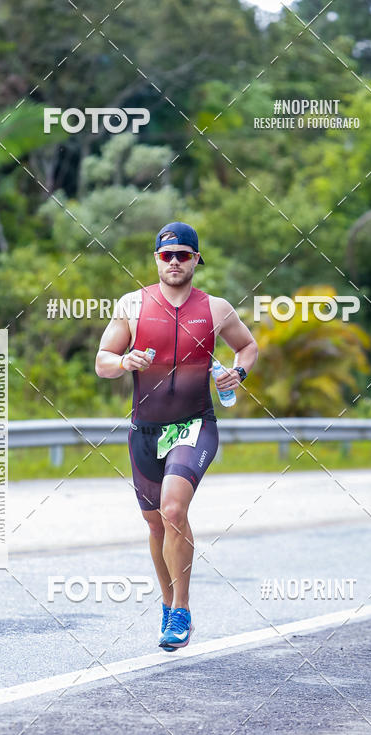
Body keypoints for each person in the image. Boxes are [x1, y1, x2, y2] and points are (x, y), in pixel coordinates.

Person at [95, 222, 258, 651]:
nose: (173, 262)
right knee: (154, 523)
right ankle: (168, 608)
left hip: (194, 424)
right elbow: (101, 360)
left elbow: (248, 347)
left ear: (195, 260)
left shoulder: (216, 308)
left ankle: (182, 610)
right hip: (144, 429)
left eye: (182, 255)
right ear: (155, 260)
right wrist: (124, 361)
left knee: (172, 509)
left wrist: (236, 374)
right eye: (166, 256)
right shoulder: (132, 304)